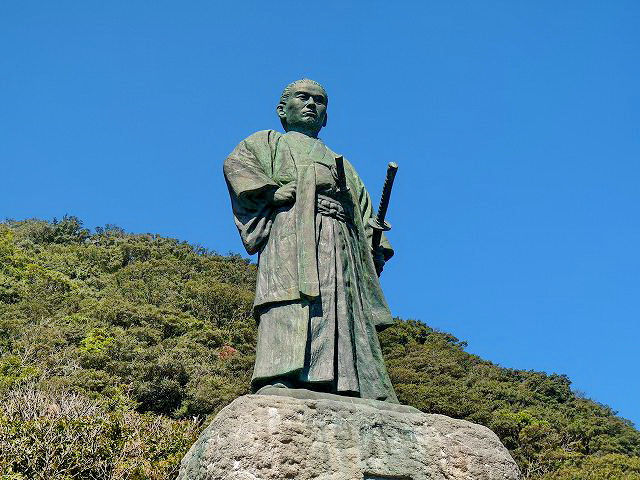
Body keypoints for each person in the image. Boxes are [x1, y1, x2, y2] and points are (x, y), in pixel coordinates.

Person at [223, 79, 398, 402]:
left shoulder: (340, 162)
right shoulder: (267, 142)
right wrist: (273, 193)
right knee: (289, 299)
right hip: (291, 230)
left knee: (340, 306)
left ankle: (345, 383)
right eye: (302, 98)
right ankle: (280, 375)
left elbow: (363, 210)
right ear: (282, 109)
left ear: (326, 116)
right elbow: (237, 167)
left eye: (319, 101)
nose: (311, 105)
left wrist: (374, 244)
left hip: (340, 240)